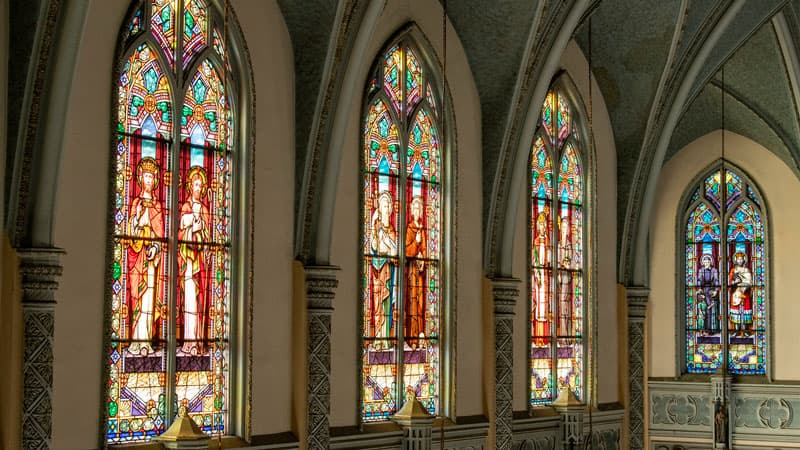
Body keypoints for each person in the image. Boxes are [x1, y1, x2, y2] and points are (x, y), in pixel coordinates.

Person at [127, 157, 164, 355]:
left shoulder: (158, 206)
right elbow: (131, 231)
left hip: (151, 261)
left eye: (152, 177)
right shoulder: (136, 204)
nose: (149, 180)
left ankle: (147, 342)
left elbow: (160, 234)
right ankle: (137, 340)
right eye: (146, 176)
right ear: (141, 179)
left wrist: (156, 248)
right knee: (139, 299)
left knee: (149, 299)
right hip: (138, 257)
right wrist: (137, 222)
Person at [178, 166, 211, 355]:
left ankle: (198, 341)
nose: (198, 188)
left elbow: (208, 236)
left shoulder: (206, 210)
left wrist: (202, 233)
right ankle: (188, 342)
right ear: (190, 187)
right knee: (189, 298)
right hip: (189, 263)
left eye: (200, 185)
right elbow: (182, 228)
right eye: (195, 185)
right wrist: (193, 225)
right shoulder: (186, 207)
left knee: (198, 302)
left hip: (201, 264)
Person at [370, 191, 397, 341]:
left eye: (387, 206)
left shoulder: (392, 230)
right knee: (377, 303)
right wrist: (375, 232)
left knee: (387, 304)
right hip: (377, 270)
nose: (386, 209)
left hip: (388, 272)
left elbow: (394, 251)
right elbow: (374, 247)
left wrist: (386, 242)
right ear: (379, 209)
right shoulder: (377, 228)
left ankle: (385, 339)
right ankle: (378, 337)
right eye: (383, 206)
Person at [405, 196, 426, 348]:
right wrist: (415, 243)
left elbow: (425, 250)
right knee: (413, 304)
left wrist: (423, 257)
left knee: (420, 303)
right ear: (412, 210)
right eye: (415, 208)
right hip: (412, 273)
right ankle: (412, 338)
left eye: (420, 208)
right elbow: (406, 251)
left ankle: (421, 334)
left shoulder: (422, 229)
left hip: (420, 272)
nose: (417, 210)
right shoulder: (410, 228)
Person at [532, 210, 550, 344]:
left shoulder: (549, 241)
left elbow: (550, 259)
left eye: (544, 224)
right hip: (539, 275)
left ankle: (545, 338)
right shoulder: (536, 241)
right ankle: (538, 338)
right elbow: (534, 259)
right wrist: (537, 272)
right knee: (539, 307)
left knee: (546, 306)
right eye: (541, 224)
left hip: (546, 275)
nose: (542, 227)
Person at [729, 251, 753, 336]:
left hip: (745, 293)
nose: (740, 261)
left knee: (745, 311)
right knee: (736, 311)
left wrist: (744, 285)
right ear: (736, 260)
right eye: (738, 259)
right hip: (736, 293)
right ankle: (736, 330)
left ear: (744, 260)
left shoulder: (747, 270)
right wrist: (735, 282)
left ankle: (745, 330)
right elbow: (730, 282)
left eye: (741, 259)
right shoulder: (733, 270)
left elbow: (749, 281)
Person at [697, 254, 720, 333]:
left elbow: (716, 280)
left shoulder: (714, 270)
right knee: (704, 309)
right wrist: (699, 288)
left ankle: (711, 329)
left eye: (708, 262)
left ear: (711, 262)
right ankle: (704, 329)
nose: (706, 264)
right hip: (703, 291)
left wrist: (716, 290)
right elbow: (699, 280)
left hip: (711, 291)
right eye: (705, 262)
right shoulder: (701, 270)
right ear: (703, 263)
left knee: (711, 310)